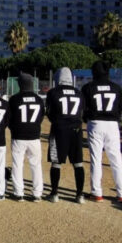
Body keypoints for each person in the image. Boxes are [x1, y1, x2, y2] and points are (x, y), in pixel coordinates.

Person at [81, 61, 122, 202]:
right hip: (112, 125)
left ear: (93, 72)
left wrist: (86, 119)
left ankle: (97, 192)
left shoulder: (88, 87)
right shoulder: (116, 88)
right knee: (116, 160)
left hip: (95, 123)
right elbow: (119, 109)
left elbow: (84, 109)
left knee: (96, 159)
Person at [45, 67, 86, 204]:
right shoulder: (79, 93)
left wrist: (57, 121)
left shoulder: (53, 92)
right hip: (76, 129)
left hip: (59, 129)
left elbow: (49, 112)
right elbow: (82, 111)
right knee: (78, 163)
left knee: (56, 163)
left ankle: (54, 193)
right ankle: (80, 195)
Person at [8, 72, 45, 202]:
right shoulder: (39, 99)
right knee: (36, 165)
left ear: (20, 85)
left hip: (19, 135)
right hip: (34, 136)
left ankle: (19, 193)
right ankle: (37, 193)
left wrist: (14, 128)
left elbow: (9, 119)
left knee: (18, 164)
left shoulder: (14, 99)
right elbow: (41, 117)